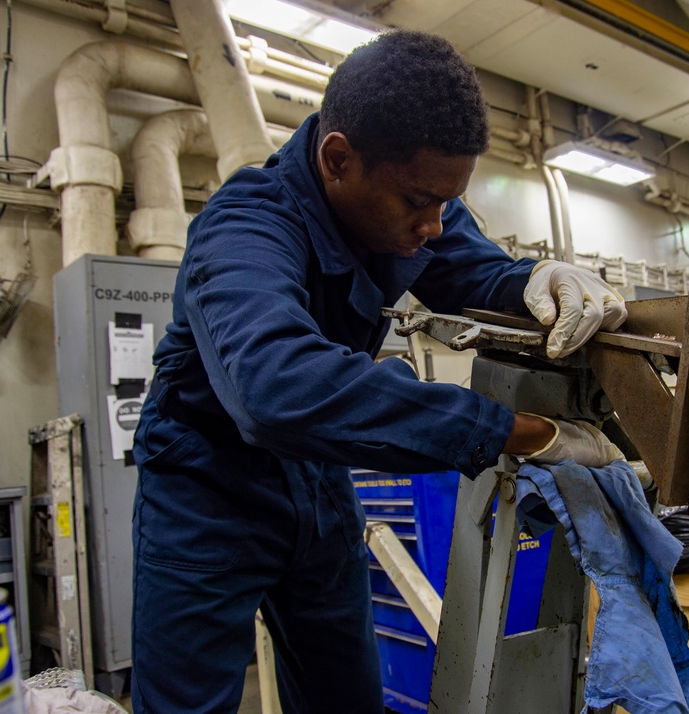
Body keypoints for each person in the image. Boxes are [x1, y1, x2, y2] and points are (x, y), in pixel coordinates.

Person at [131, 29, 626, 713]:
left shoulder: (415, 198)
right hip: (205, 480)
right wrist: (518, 432)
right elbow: (278, 388)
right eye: (419, 202)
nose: (434, 223)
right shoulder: (244, 227)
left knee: (347, 698)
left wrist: (538, 279)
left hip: (314, 471)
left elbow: (470, 267)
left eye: (448, 202)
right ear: (337, 159)